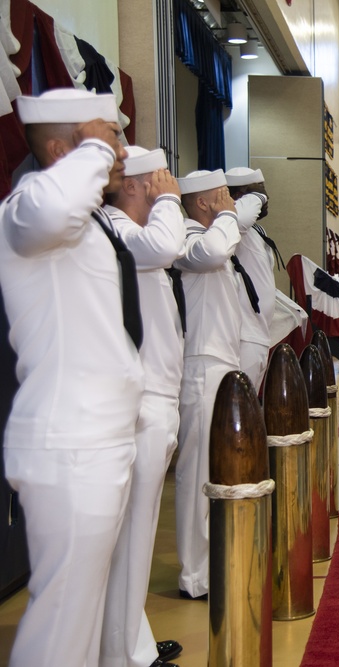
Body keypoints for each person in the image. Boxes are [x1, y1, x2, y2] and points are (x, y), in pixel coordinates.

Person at [0, 89, 144, 667]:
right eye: (112, 139)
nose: (121, 152)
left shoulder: (85, 222)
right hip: (70, 441)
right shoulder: (30, 203)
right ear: (65, 148)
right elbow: (52, 211)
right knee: (61, 624)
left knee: (80, 619)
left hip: (96, 439)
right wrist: (90, 149)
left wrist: (94, 144)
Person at [101, 147, 187, 666]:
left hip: (156, 395)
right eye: (159, 177)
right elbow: (163, 245)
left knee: (136, 535)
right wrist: (172, 204)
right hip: (140, 400)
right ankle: (127, 655)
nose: (166, 183)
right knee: (131, 536)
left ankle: (131, 639)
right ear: (135, 185)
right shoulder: (119, 230)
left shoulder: (125, 233)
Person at [174, 169, 241, 600]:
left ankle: (210, 562)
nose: (231, 202)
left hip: (219, 359)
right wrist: (229, 216)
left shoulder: (208, 235)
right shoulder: (186, 237)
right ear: (203, 203)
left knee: (214, 469)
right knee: (196, 470)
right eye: (223, 196)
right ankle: (195, 575)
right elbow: (215, 251)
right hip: (199, 363)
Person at [226, 167, 273, 391]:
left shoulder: (255, 230)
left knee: (249, 408)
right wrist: (257, 195)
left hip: (260, 333)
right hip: (245, 336)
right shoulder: (231, 226)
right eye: (259, 194)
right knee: (241, 408)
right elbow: (240, 217)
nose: (266, 200)